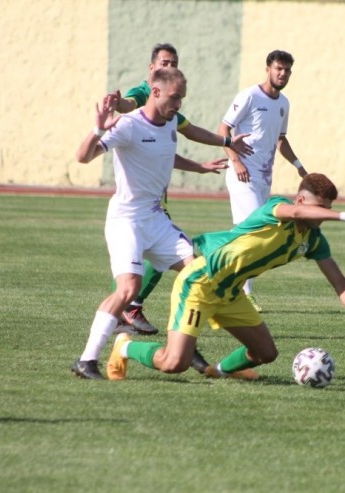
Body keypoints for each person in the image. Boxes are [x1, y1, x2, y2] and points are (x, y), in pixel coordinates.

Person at [105, 173, 345, 382]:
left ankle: (220, 371)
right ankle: (126, 347)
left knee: (266, 354)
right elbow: (296, 212)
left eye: (327, 209)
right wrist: (344, 216)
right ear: (301, 200)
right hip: (201, 284)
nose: (321, 216)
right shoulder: (276, 210)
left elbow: (338, 280)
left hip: (231, 293)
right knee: (174, 363)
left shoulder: (313, 240)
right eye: (319, 209)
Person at [71, 67, 229, 380]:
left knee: (197, 273)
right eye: (174, 97)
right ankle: (87, 360)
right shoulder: (128, 124)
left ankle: (181, 342)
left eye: (182, 97)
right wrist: (98, 129)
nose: (179, 104)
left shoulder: (170, 121)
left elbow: (163, 155)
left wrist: (198, 167)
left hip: (155, 217)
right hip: (126, 218)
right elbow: (82, 156)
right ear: (155, 92)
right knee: (128, 289)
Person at [110, 43, 252, 336]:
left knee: (163, 256)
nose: (169, 67)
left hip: (154, 195)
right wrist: (117, 105)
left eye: (173, 62)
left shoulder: (172, 104)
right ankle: (129, 307)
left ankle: (130, 307)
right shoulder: (145, 92)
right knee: (152, 258)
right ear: (152, 69)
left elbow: (190, 129)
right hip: (137, 198)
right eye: (164, 62)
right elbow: (126, 105)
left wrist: (223, 145)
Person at [217, 49, 308, 313]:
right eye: (278, 68)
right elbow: (223, 129)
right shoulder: (249, 96)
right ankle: (241, 293)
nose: (283, 74)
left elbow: (281, 139)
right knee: (254, 233)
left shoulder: (283, 103)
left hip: (264, 178)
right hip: (242, 174)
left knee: (245, 234)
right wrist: (236, 160)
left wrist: (300, 168)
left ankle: (222, 277)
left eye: (287, 70)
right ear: (268, 68)